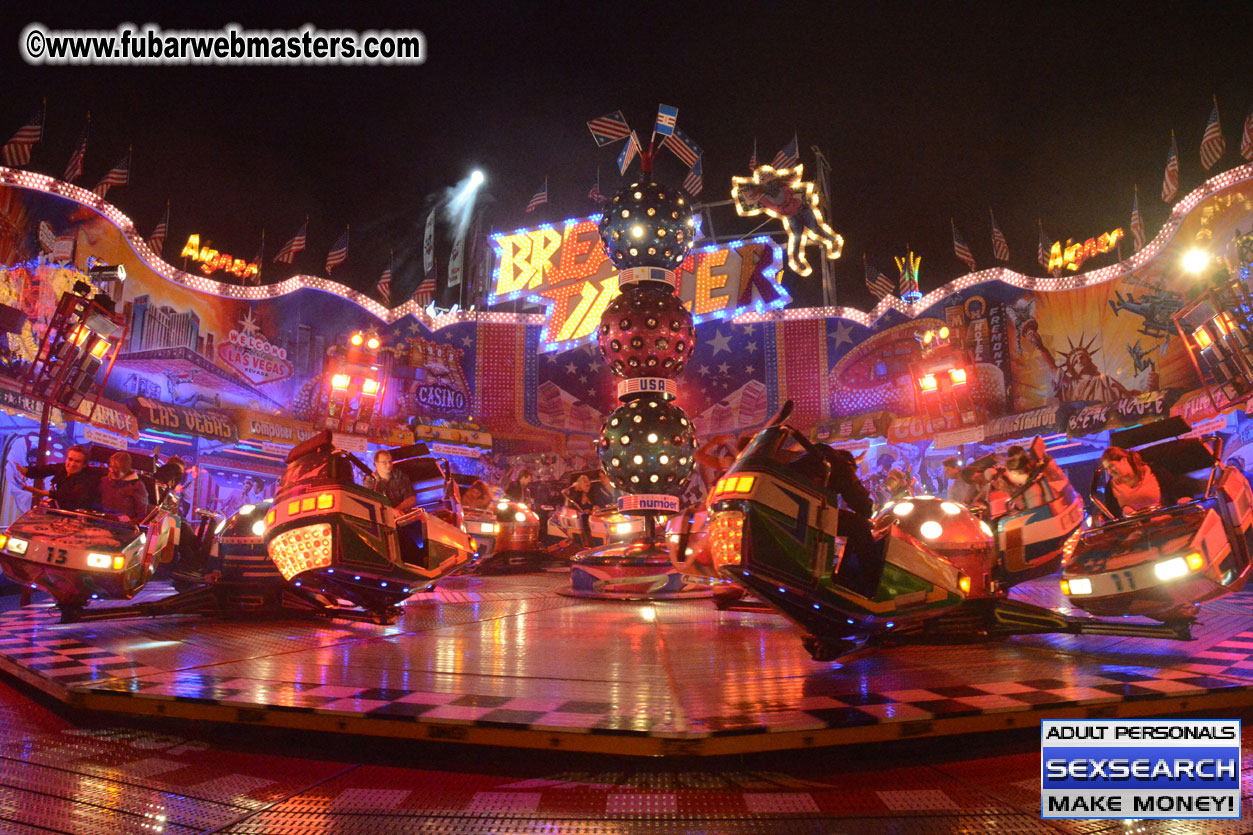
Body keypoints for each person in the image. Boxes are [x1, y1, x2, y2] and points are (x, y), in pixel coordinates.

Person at [17, 445, 103, 511]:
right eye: (70, 459)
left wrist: (45, 493)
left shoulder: (89, 478)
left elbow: (72, 496)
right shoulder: (62, 468)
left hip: (78, 517)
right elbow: (44, 470)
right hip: (60, 511)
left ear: (84, 465)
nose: (72, 464)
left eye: (77, 461)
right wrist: (25, 470)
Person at [1098, 446, 1177, 518]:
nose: (1109, 472)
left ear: (1124, 460)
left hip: (1164, 522)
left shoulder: (1156, 473)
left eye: (1111, 466)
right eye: (1107, 469)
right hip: (1136, 529)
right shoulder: (1111, 487)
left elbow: (1175, 495)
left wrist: (1179, 500)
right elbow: (1112, 516)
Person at [100, 451, 151, 522]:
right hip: (101, 520)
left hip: (122, 526)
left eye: (116, 468)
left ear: (125, 469)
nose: (111, 470)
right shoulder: (104, 481)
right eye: (111, 466)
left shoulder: (137, 486)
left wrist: (130, 521)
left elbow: (142, 515)